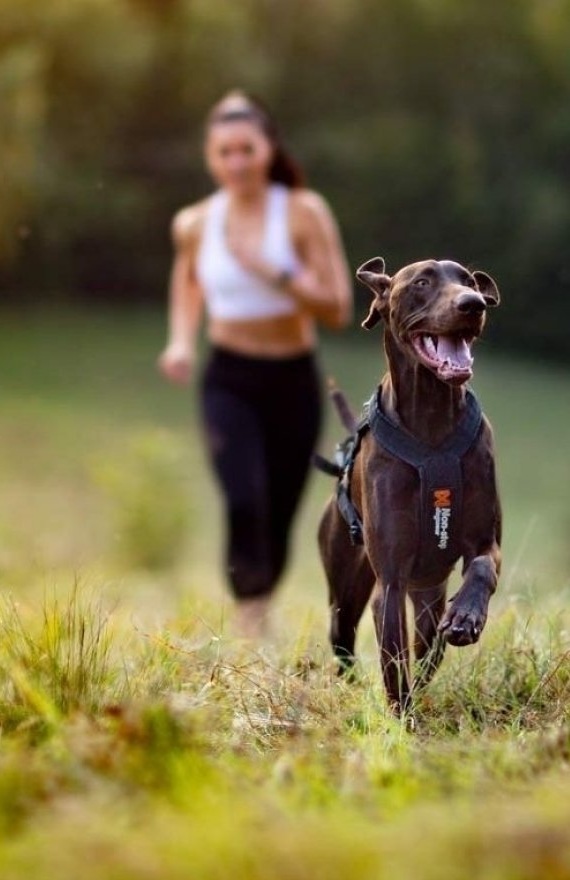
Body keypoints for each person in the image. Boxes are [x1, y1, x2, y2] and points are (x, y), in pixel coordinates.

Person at [159, 90, 353, 639]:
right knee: (243, 496)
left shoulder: (303, 212)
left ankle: (261, 605)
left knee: (281, 504)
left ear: (269, 149)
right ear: (210, 157)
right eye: (224, 152)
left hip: (292, 380)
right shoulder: (195, 222)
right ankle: (251, 617)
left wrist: (277, 274)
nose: (237, 162)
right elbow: (187, 281)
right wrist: (180, 341)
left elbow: (338, 308)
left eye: (247, 149)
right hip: (229, 379)